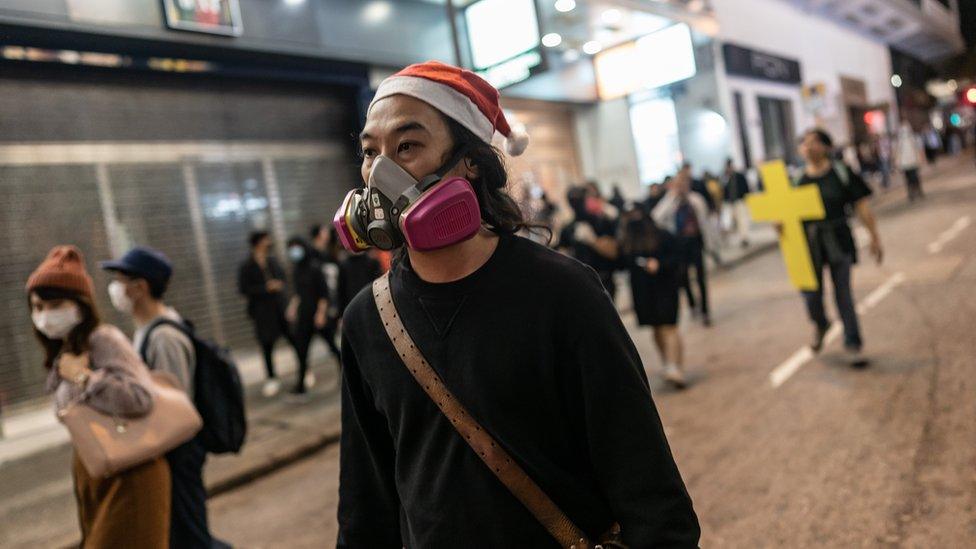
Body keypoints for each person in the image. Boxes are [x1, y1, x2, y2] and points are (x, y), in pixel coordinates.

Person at [336, 61, 699, 547]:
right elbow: (366, 505)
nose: (379, 174)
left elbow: (647, 485)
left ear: (468, 161)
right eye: (369, 152)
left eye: (407, 146)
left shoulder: (562, 292)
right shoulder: (367, 319)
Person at [27, 246, 170, 548]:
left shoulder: (104, 339)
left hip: (130, 473)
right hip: (96, 472)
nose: (44, 315)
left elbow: (141, 398)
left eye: (54, 304)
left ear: (80, 304)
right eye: (37, 307)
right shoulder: (67, 350)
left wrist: (84, 378)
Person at [101, 246, 226, 549]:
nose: (115, 288)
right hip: (170, 451)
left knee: (191, 539)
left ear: (140, 287)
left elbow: (174, 406)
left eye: (121, 280)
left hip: (179, 453)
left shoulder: (164, 337)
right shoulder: (147, 330)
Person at [796, 129, 883, 364]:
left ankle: (852, 342)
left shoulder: (841, 173)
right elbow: (787, 217)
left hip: (838, 239)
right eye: (805, 143)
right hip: (809, 246)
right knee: (811, 295)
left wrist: (874, 237)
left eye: (814, 142)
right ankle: (821, 324)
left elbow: (861, 206)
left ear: (826, 147)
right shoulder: (797, 180)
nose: (809, 147)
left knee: (843, 293)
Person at [620, 208, 688, 388]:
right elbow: (620, 261)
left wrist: (660, 265)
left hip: (665, 288)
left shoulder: (663, 236)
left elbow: (678, 258)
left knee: (669, 327)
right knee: (657, 329)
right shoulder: (628, 242)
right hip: (643, 293)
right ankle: (669, 363)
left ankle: (675, 366)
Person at [653, 170, 719, 326]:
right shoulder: (670, 203)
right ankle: (692, 303)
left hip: (695, 243)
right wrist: (671, 198)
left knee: (700, 277)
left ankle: (705, 311)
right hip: (679, 245)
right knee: (683, 277)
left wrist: (712, 245)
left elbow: (705, 223)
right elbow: (656, 217)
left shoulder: (696, 200)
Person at [238, 231, 296, 397]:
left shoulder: (272, 261)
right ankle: (271, 378)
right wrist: (265, 288)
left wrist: (279, 286)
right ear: (257, 242)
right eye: (265, 240)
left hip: (279, 308)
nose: (269, 242)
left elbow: (283, 278)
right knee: (266, 346)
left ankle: (303, 371)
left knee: (293, 339)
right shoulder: (247, 265)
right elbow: (243, 289)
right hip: (262, 313)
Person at [559, 185, 621, 299]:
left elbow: (614, 251)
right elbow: (562, 251)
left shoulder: (601, 221)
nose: (576, 204)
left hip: (603, 277)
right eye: (572, 201)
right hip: (582, 281)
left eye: (578, 200)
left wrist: (592, 240)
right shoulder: (569, 228)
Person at [285, 236, 329, 395]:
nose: (294, 251)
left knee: (333, 347)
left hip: (317, 315)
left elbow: (324, 294)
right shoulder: (296, 270)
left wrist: (321, 314)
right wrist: (292, 307)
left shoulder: (315, 267)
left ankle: (345, 373)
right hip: (304, 317)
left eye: (296, 246)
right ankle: (300, 386)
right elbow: (299, 294)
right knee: (301, 351)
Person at [308, 224, 343, 360]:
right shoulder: (312, 257)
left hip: (333, 301)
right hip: (321, 304)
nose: (327, 234)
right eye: (324, 232)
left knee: (335, 340)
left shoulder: (330, 253)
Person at [723, 158, 752, 247]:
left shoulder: (739, 176)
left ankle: (744, 238)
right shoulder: (726, 178)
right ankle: (730, 239)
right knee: (729, 222)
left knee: (742, 221)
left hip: (740, 202)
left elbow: (746, 188)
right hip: (731, 203)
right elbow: (725, 191)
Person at [895, 122, 924, 202]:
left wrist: (920, 158)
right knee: (909, 179)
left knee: (914, 177)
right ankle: (911, 193)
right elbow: (897, 152)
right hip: (905, 164)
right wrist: (897, 162)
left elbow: (918, 149)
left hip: (913, 162)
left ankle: (918, 190)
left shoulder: (913, 138)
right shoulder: (899, 141)